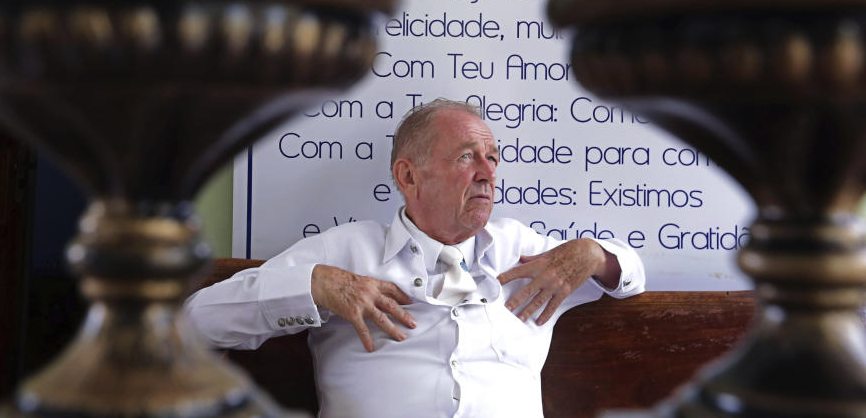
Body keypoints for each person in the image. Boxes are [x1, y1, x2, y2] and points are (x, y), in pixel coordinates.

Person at [186, 99, 646, 418]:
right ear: (408, 176)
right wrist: (315, 287)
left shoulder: (521, 249)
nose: (488, 173)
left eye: (492, 157)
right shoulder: (345, 250)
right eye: (467, 157)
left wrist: (593, 254)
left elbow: (634, 274)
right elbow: (196, 322)